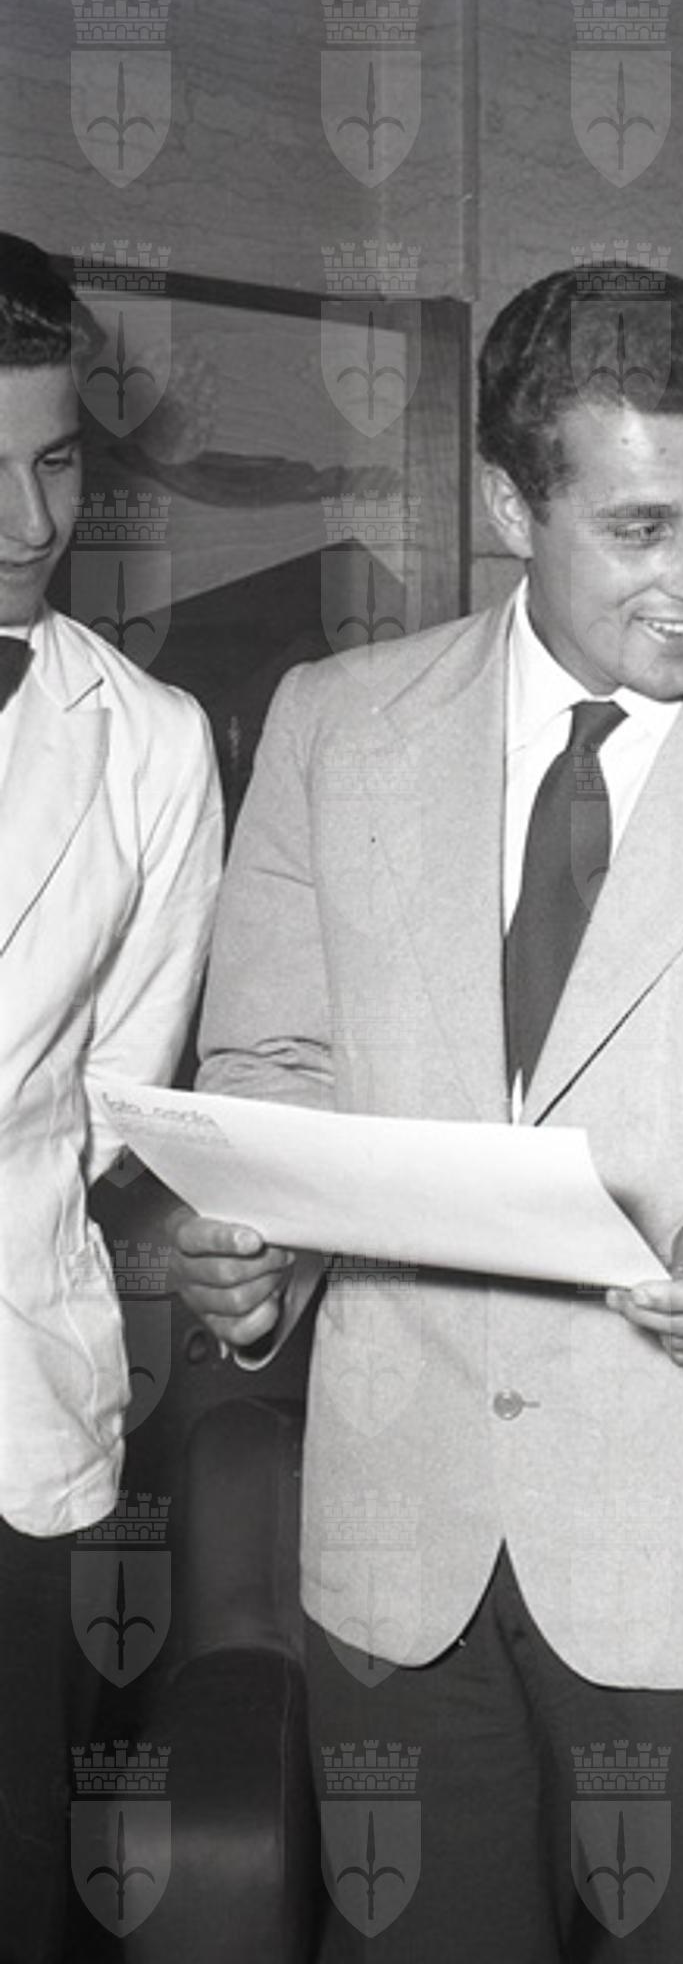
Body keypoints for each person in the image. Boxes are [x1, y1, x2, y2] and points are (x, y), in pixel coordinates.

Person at [167, 267, 683, 1961]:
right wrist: (257, 1246)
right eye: (636, 528)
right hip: (399, 1561)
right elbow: (270, 1068)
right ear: (505, 506)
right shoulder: (335, 727)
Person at [0, 231, 223, 1959]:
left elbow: (120, 1100)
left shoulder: (149, 741)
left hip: (20, 1392)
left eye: (58, 461)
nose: (28, 521)